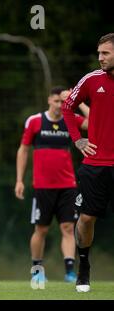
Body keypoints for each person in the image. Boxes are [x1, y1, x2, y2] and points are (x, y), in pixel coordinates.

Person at [15, 86, 89, 284]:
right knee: (41, 229)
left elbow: (93, 123)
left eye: (63, 102)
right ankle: (37, 271)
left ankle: (70, 272)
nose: (59, 105)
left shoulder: (70, 119)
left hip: (67, 185)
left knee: (68, 227)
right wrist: (19, 180)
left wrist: (78, 102)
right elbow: (23, 150)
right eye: (56, 101)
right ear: (49, 100)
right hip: (43, 187)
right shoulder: (35, 121)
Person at [62, 33, 114, 293]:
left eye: (105, 53)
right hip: (95, 165)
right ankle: (84, 267)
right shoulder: (92, 80)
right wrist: (77, 139)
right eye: (99, 53)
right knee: (85, 220)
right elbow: (67, 108)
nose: (100, 58)